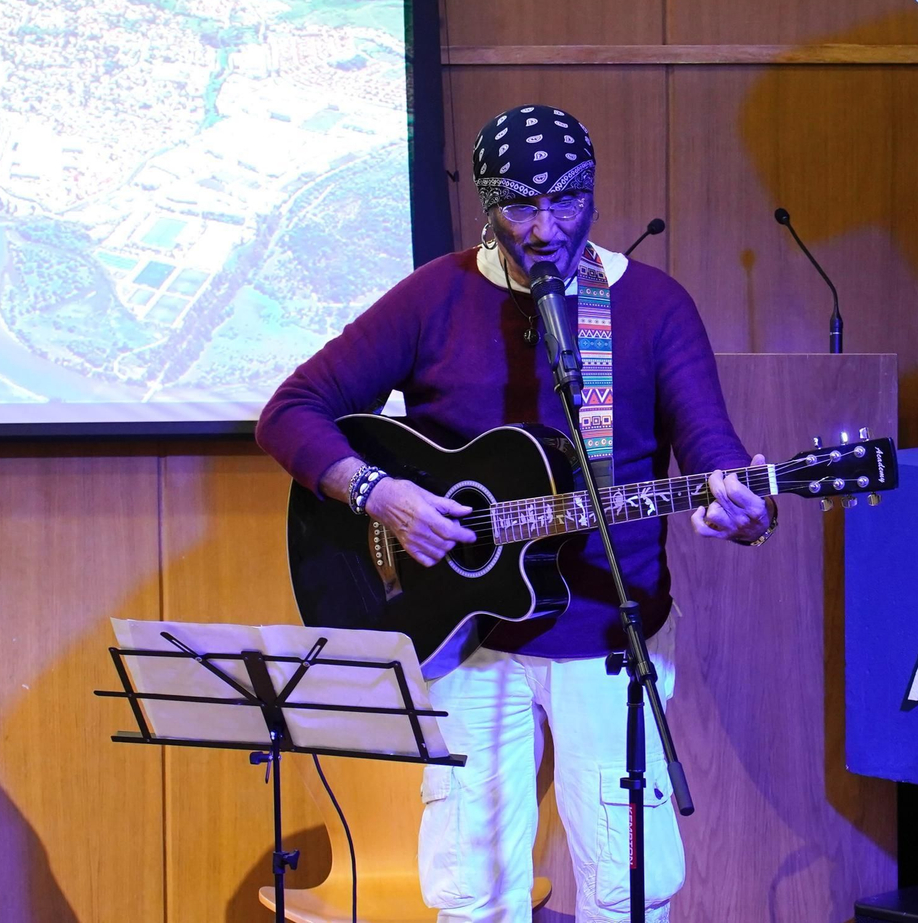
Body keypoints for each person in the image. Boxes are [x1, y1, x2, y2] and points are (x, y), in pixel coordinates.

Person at [254, 104, 777, 923]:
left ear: (593, 197)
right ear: (488, 207)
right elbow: (292, 410)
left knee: (624, 884)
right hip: (465, 636)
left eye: (564, 204)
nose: (543, 229)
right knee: (471, 885)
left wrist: (736, 500)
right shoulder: (436, 296)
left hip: (611, 632)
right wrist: (380, 494)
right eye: (520, 206)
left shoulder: (651, 306)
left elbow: (710, 446)